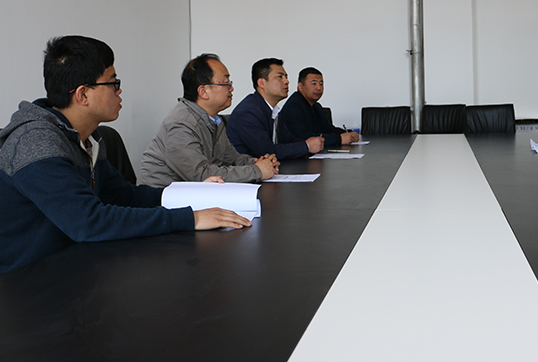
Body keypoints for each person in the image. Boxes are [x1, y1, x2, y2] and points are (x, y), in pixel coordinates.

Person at [0, 37, 252, 274]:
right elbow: (88, 221)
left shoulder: (88, 137)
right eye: (113, 83)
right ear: (83, 94)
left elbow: (123, 195)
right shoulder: (36, 142)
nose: (119, 91)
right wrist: (190, 218)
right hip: (27, 281)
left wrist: (194, 195)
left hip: (77, 264)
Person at [139, 54, 278, 188]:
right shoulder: (182, 124)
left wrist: (260, 163)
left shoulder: (214, 120)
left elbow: (232, 159)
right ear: (203, 91)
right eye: (226, 83)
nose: (231, 88)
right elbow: (201, 175)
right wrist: (256, 171)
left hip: (193, 193)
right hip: (162, 198)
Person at [226, 58, 325, 160]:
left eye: (286, 77)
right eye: (280, 77)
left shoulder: (271, 110)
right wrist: (306, 146)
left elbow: (288, 140)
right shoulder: (248, 112)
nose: (286, 81)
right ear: (262, 83)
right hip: (248, 169)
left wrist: (311, 144)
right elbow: (266, 151)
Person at [279, 67, 359, 147]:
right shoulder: (293, 107)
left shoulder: (316, 106)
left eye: (321, 84)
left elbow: (328, 129)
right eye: (314, 84)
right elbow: (304, 138)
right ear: (300, 86)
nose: (319, 88)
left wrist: (348, 133)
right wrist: (339, 139)